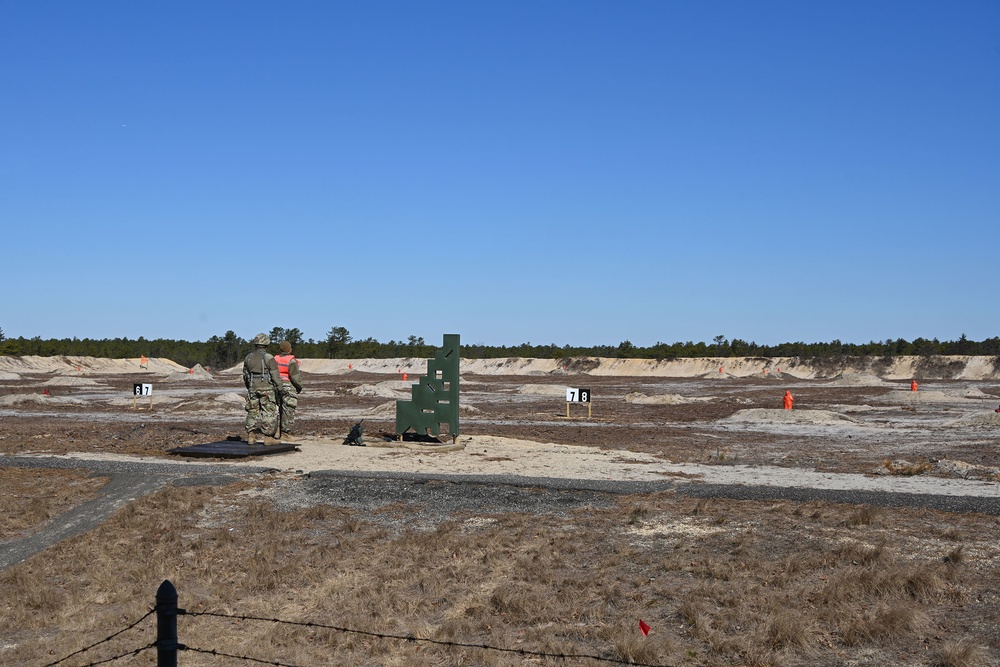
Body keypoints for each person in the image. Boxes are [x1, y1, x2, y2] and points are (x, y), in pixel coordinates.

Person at [242, 333, 285, 444]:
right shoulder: (269, 357)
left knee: (252, 411)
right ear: (266, 344)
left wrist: (250, 387)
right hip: (267, 388)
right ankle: (268, 437)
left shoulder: (248, 357)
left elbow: (245, 375)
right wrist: (280, 388)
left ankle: (251, 436)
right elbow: (275, 375)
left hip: (253, 388)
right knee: (268, 412)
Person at [274, 340, 304, 437]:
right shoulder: (291, 361)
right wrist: (299, 387)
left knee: (276, 409)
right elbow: (295, 377)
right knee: (288, 409)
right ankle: (285, 433)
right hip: (288, 386)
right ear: (289, 349)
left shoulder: (275, 359)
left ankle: (276, 431)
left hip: (276, 385)